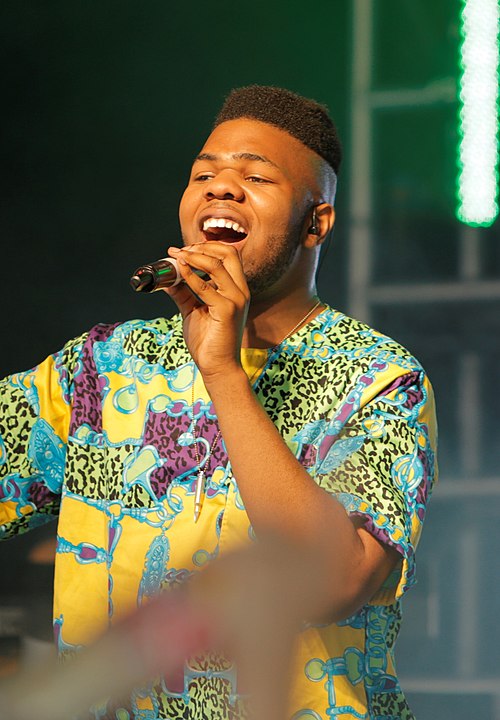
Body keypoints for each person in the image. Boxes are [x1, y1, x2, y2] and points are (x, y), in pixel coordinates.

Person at [0, 85, 437, 719]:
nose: (222, 188)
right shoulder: (101, 366)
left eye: (256, 177)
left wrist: (222, 371)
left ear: (316, 222)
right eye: (204, 173)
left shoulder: (379, 379)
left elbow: (338, 580)